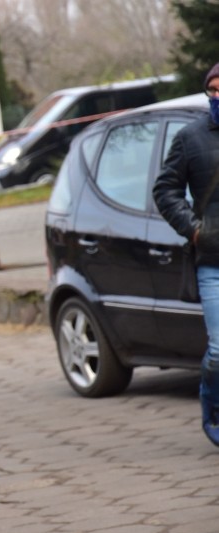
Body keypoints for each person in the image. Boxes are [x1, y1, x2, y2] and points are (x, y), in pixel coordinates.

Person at [153, 62, 219, 447]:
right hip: (213, 260)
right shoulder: (190, 138)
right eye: (212, 90)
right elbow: (165, 190)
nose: (218, 96)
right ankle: (212, 404)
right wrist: (194, 229)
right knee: (218, 351)